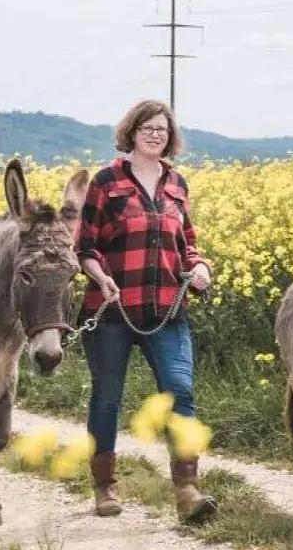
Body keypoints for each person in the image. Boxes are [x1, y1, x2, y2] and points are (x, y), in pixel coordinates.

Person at [73, 99, 217, 522]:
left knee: (181, 391)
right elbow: (85, 247)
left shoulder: (177, 185)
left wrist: (200, 267)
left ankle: (187, 488)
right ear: (131, 132)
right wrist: (101, 277)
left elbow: (187, 244)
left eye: (163, 129)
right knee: (107, 398)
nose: (156, 135)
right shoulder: (107, 183)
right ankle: (104, 487)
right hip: (113, 310)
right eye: (148, 128)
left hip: (167, 310)